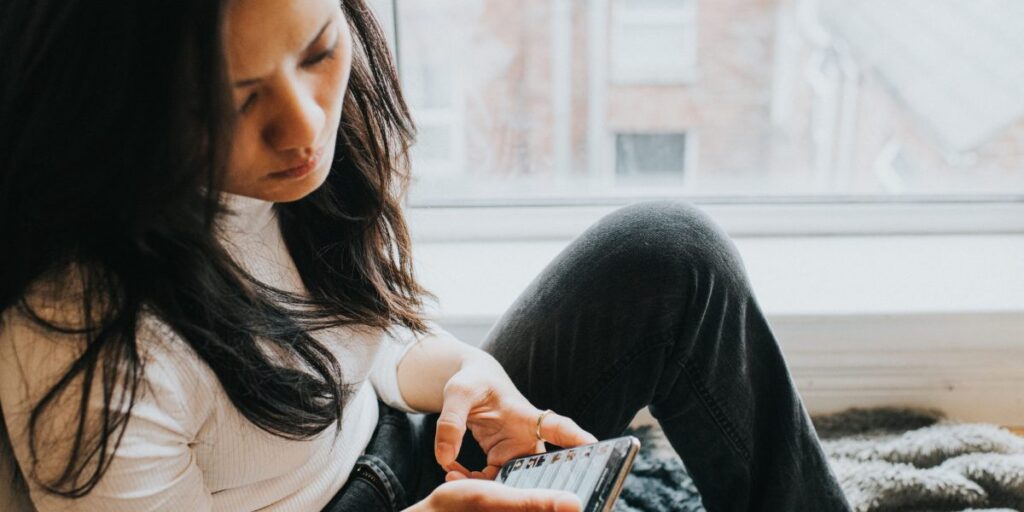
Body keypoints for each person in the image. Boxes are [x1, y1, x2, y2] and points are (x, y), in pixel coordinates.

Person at [0, 0, 853, 510]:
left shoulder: (297, 159)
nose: (303, 130)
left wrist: (458, 373)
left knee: (671, 256)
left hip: (397, 452)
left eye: (319, 52)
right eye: (234, 100)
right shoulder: (84, 348)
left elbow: (361, 336)